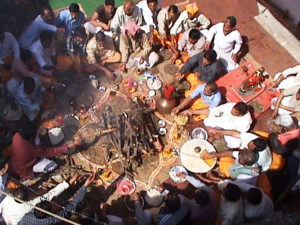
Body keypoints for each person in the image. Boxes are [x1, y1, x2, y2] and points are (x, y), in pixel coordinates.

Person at [9, 123, 81, 179]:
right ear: (30, 137)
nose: (36, 133)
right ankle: (38, 174)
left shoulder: (17, 136)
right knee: (52, 165)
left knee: (37, 141)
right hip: (25, 171)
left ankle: (37, 156)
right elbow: (53, 151)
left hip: (15, 163)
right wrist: (72, 144)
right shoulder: (31, 149)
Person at [0, 174, 78, 225]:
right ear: (27, 199)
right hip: (20, 223)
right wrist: (67, 183)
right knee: (47, 207)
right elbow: (50, 194)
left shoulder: (8, 197)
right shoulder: (28, 205)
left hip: (5, 221)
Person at [19, 173, 95, 225]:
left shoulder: (27, 216)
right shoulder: (52, 220)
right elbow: (72, 205)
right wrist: (85, 186)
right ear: (49, 214)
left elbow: (50, 194)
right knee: (75, 217)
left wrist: (69, 182)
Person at [208, 128, 272, 172]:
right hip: (257, 155)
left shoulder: (251, 159)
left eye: (251, 144)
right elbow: (233, 133)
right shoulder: (256, 140)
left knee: (230, 168)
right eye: (251, 141)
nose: (249, 142)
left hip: (263, 166)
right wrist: (216, 130)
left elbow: (231, 153)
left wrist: (213, 155)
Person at [185, 102, 252, 132]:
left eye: (234, 114)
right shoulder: (230, 105)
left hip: (231, 130)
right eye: (232, 110)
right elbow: (212, 111)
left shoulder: (245, 122)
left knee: (235, 144)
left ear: (240, 115)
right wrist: (192, 112)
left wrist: (217, 131)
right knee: (207, 121)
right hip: (222, 121)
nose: (232, 112)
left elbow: (237, 134)